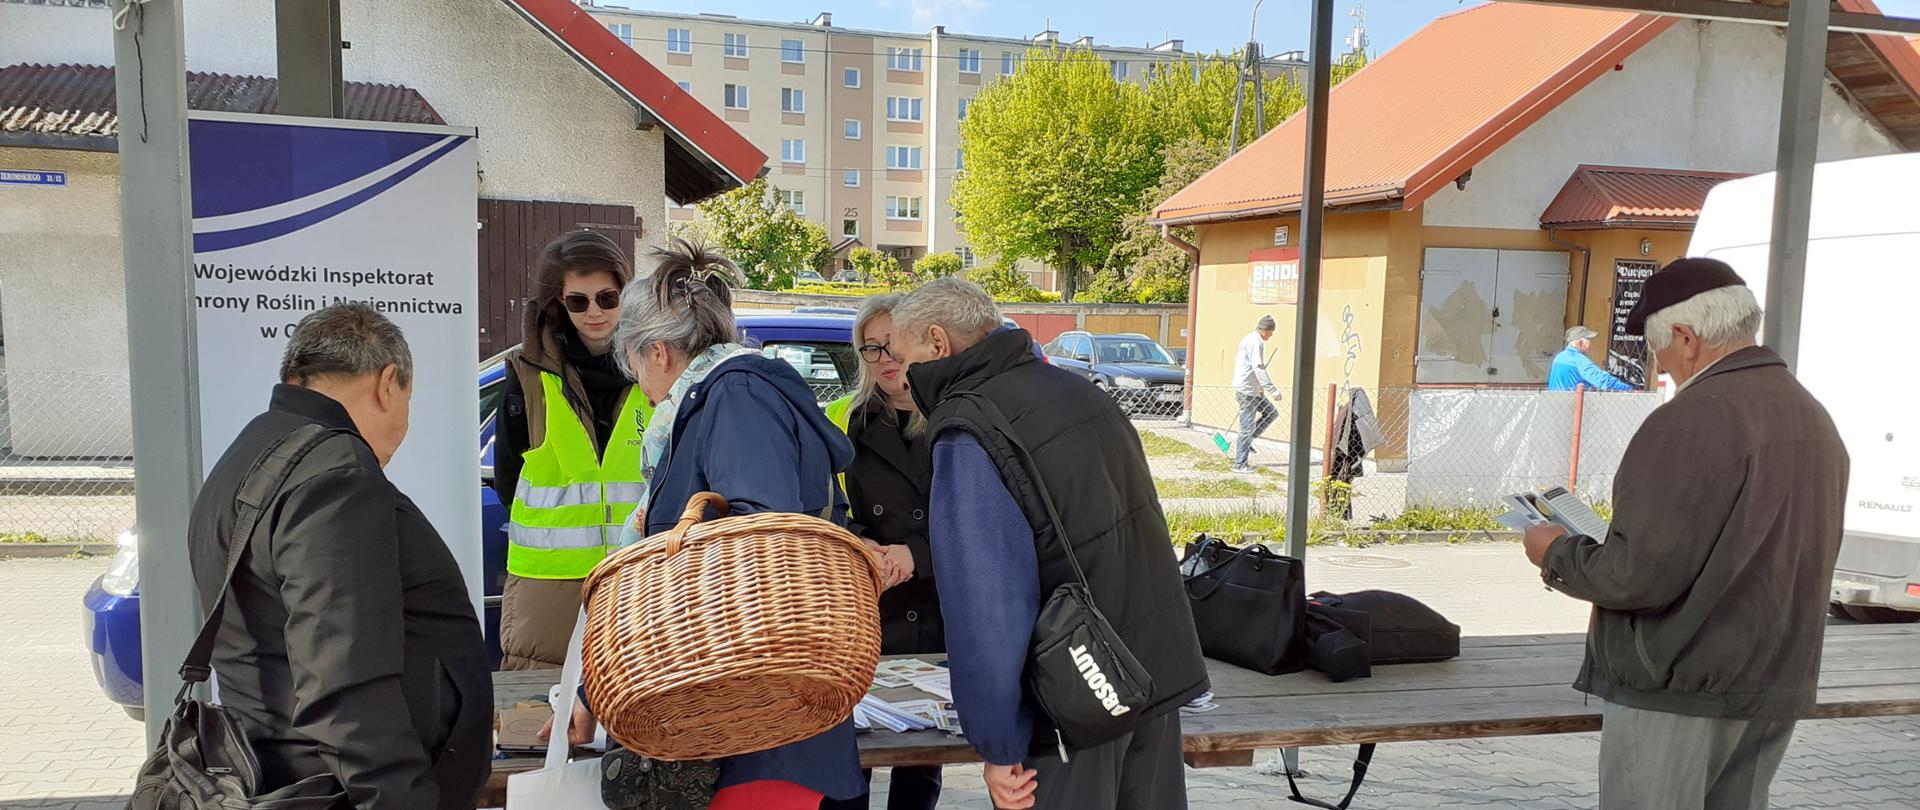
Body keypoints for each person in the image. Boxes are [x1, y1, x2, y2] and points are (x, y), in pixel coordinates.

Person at [547, 238, 864, 810]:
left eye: (635, 365)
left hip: (758, 732)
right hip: (737, 722)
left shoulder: (735, 397)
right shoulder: (716, 401)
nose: (641, 385)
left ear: (659, 353)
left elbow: (757, 546)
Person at [1521, 258, 1849, 810]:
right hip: (1771, 682)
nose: (1661, 366)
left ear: (1686, 337)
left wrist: (1555, 551)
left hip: (1679, 689)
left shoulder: (1690, 420)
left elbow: (1635, 576)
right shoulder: (1811, 415)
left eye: (1658, 351)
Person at [892, 278, 1209, 810]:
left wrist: (998, 743)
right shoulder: (1082, 393)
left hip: (1070, 702)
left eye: (904, 360)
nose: (901, 377)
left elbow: (986, 603)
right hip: (1150, 678)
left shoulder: (971, 426)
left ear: (938, 343)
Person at [187, 303, 492, 810]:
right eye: (408, 399)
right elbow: (344, 677)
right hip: (337, 789)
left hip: (283, 770)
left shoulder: (252, 450)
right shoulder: (339, 472)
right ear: (388, 384)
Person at [495, 230, 651, 671]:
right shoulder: (528, 375)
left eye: (607, 297)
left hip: (639, 575)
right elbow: (510, 477)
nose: (595, 312)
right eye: (577, 301)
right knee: (542, 723)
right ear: (558, 303)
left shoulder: (657, 364)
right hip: (549, 589)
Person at [821, 294, 943, 810]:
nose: (886, 357)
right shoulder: (843, 419)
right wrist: (860, 546)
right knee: (852, 752)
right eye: (872, 348)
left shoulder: (959, 417)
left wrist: (919, 554)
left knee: (925, 759)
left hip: (943, 608)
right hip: (869, 608)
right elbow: (822, 509)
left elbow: (989, 519)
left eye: (894, 343)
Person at [1232, 315, 1281, 474]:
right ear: (1266, 330)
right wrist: (1272, 389)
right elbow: (1258, 367)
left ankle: (1250, 440)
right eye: (1271, 332)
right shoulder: (1255, 342)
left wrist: (1260, 387)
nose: (1271, 335)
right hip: (1248, 391)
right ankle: (1240, 464)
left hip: (1254, 390)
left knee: (1271, 413)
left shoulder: (1249, 339)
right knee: (1246, 428)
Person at [1547, 326, 1636, 392]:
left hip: (1556, 404)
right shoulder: (1578, 360)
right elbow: (1602, 380)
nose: (1591, 344)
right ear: (1580, 342)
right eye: (1589, 340)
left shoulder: (1559, 357)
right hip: (1573, 406)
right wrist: (1628, 389)